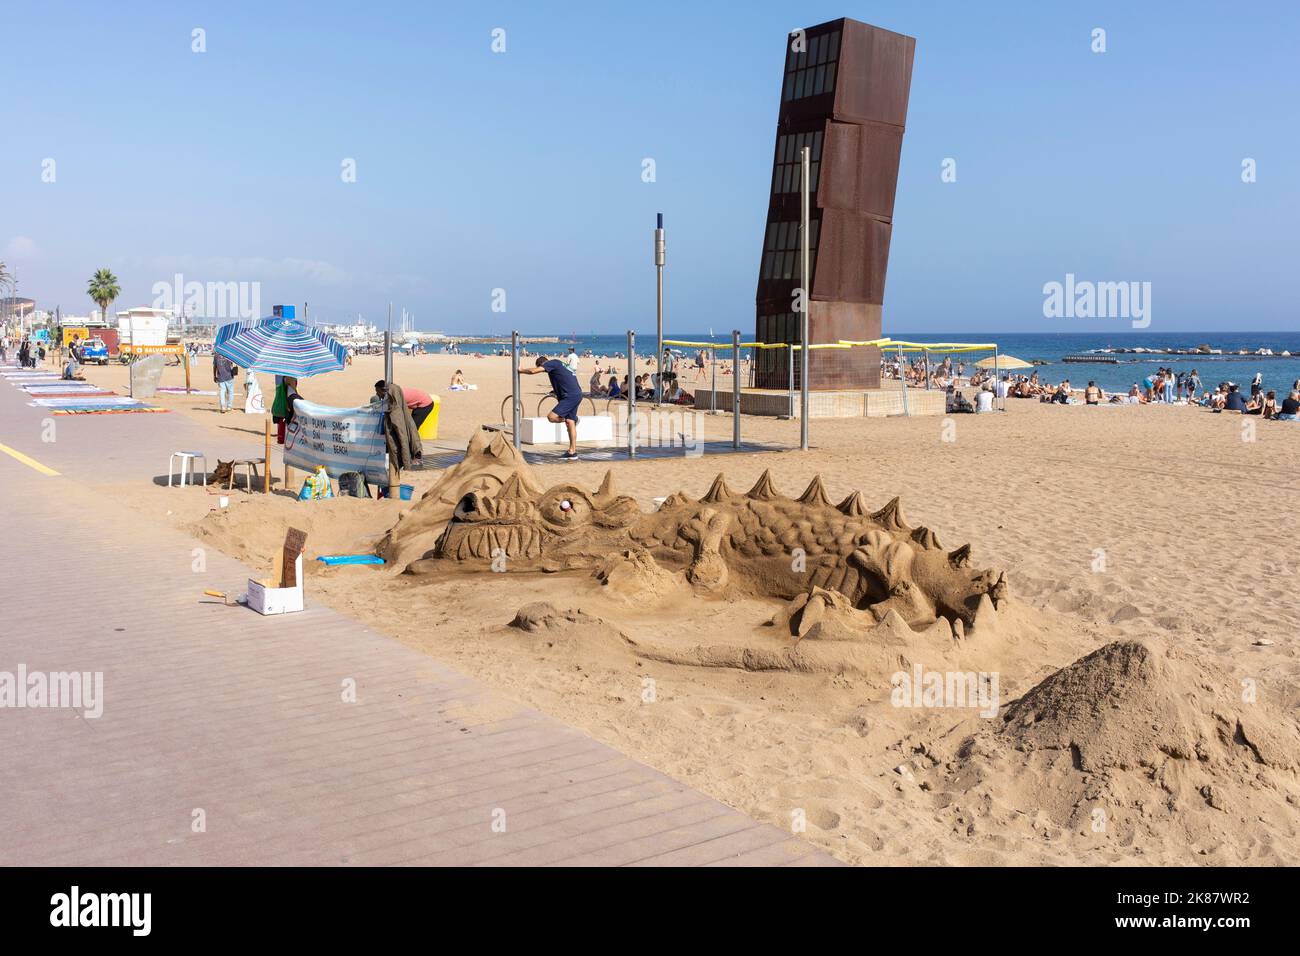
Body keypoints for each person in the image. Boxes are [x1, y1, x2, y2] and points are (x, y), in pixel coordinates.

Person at [519, 354, 582, 458]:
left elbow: (533, 371)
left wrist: (521, 370)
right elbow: (564, 378)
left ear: (542, 363)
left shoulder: (551, 363)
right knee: (570, 422)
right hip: (576, 394)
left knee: (551, 417)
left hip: (569, 396)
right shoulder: (560, 365)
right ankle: (572, 451)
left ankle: (575, 420)